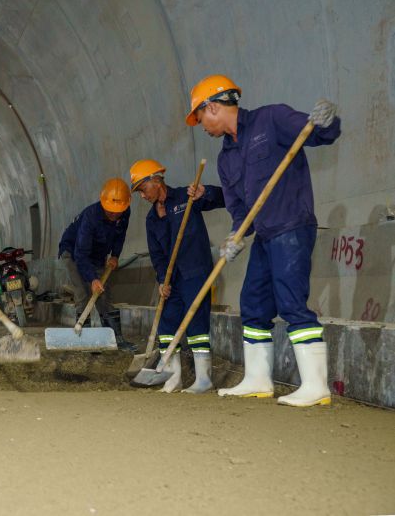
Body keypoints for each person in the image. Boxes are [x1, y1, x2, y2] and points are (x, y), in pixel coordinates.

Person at [185, 74, 341, 406]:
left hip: (292, 226)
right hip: (267, 235)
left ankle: (316, 386)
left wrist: (328, 122)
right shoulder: (225, 158)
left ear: (212, 107)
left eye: (200, 117)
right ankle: (258, 380)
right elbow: (240, 209)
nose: (201, 126)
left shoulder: (272, 119)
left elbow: (316, 133)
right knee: (254, 305)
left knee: (291, 302)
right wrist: (235, 235)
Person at [131, 159, 225, 393]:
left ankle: (203, 379)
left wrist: (206, 192)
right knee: (167, 324)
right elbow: (157, 255)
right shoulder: (151, 219)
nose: (142, 196)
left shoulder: (187, 196)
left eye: (142, 189)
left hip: (195, 272)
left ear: (156, 180)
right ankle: (173, 378)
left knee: (196, 324)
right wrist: (162, 280)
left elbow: (223, 198)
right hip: (172, 279)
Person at [58, 178, 136, 352]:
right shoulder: (91, 218)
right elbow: (81, 254)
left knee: (104, 295)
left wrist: (115, 255)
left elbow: (120, 235)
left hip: (98, 254)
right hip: (73, 252)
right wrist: (92, 278)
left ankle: (115, 338)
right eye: (110, 212)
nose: (115, 215)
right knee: (83, 294)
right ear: (103, 202)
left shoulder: (124, 211)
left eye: (118, 211)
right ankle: (84, 340)